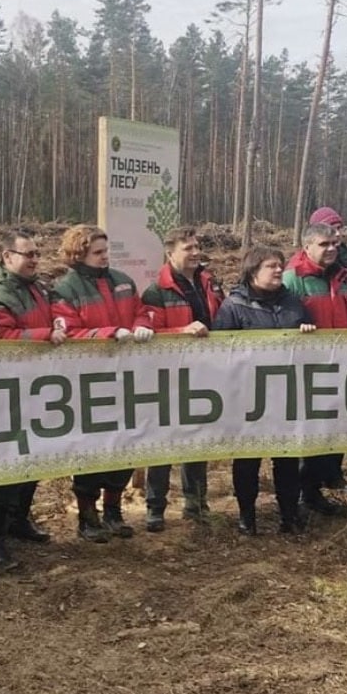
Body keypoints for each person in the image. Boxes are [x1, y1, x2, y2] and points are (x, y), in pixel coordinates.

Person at [52, 225, 154, 542]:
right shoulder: (65, 288)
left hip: (127, 377)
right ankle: (86, 515)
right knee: (91, 449)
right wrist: (108, 333)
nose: (104, 257)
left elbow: (141, 311)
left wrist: (139, 326)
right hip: (89, 380)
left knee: (124, 445)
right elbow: (68, 331)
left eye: (106, 251)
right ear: (78, 253)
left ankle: (113, 510)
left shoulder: (122, 281)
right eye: (97, 252)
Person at [0, 229, 68, 570]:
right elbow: (4, 336)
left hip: (35, 383)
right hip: (7, 388)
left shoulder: (35, 286)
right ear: (7, 257)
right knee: (8, 463)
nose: (34, 260)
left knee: (34, 456)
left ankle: (19, 518)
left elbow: (49, 312)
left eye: (37, 254)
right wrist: (47, 335)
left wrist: (57, 319)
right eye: (27, 254)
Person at [212, 246, 317, 535]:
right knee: (247, 461)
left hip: (285, 394)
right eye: (271, 266)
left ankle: (289, 513)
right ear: (253, 271)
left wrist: (308, 334)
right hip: (249, 397)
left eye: (280, 265)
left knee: (286, 458)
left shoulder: (293, 302)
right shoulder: (234, 306)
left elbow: (313, 342)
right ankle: (247, 514)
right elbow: (219, 352)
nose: (279, 270)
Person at [139, 227, 223, 530]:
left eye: (196, 247)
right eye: (187, 248)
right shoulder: (156, 291)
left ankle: (196, 502)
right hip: (168, 377)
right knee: (163, 443)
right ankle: (156, 506)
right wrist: (181, 333)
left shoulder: (208, 283)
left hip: (203, 373)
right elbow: (151, 336)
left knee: (197, 439)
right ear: (170, 253)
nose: (195, 252)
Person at [284, 221, 347, 519]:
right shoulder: (293, 279)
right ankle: (299, 494)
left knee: (332, 431)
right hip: (307, 369)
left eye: (334, 243)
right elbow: (285, 318)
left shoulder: (345, 277)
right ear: (307, 247)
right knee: (307, 435)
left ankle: (316, 487)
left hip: (342, 363)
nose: (332, 249)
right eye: (324, 244)